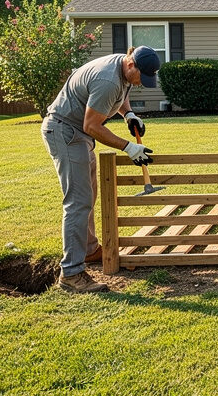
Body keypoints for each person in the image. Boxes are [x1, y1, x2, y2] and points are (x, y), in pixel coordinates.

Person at [42, 46, 160, 292]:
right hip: (66, 131)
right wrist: (128, 147)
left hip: (78, 133)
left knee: (89, 195)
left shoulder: (122, 68)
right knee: (78, 202)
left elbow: (121, 93)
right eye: (141, 78)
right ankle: (71, 275)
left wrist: (128, 114)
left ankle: (89, 250)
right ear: (131, 65)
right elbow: (93, 125)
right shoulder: (107, 79)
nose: (140, 84)